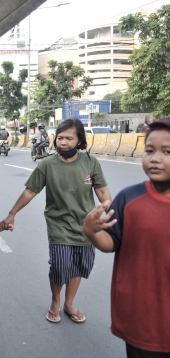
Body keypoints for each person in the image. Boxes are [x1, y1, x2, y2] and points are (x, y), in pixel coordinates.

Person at [0, 118, 112, 323]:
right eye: (60, 138)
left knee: (79, 266)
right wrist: (12, 213)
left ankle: (69, 304)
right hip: (58, 224)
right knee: (60, 266)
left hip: (87, 226)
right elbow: (30, 191)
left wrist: (112, 217)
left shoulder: (90, 163)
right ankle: (55, 300)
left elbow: (103, 192)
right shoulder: (47, 164)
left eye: (69, 138)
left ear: (79, 141)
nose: (63, 142)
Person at [83, 117, 170, 357]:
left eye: (167, 151)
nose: (155, 158)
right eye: (149, 150)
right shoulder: (129, 199)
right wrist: (91, 230)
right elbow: (111, 243)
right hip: (141, 321)